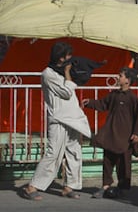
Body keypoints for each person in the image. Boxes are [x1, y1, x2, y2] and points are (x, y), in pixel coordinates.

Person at [22, 42, 91, 200]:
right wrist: (68, 74)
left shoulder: (61, 72)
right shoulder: (48, 74)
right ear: (60, 57)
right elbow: (66, 92)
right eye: (67, 55)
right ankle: (32, 186)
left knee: (74, 151)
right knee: (53, 153)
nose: (70, 58)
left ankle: (70, 186)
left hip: (73, 117)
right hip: (59, 118)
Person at [82, 67, 138, 199]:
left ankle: (123, 187)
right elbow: (103, 104)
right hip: (111, 133)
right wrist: (90, 103)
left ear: (127, 80)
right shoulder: (114, 95)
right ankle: (105, 186)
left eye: (120, 76)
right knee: (108, 160)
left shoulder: (133, 98)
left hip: (126, 137)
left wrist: (137, 133)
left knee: (124, 163)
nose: (118, 77)